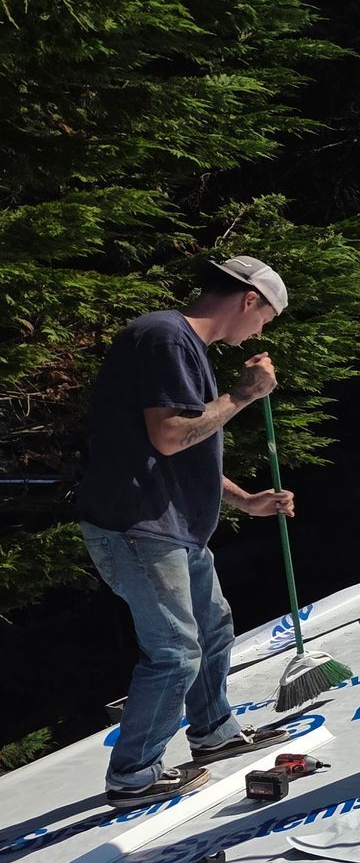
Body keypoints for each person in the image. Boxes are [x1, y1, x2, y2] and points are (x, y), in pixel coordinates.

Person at [74, 257, 300, 808]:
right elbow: (173, 436)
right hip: (138, 526)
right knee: (175, 651)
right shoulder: (166, 338)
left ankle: (212, 731)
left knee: (212, 623)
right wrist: (244, 395)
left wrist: (243, 500)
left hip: (170, 524)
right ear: (249, 300)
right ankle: (133, 776)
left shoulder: (177, 342)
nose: (261, 331)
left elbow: (175, 447)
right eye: (266, 317)